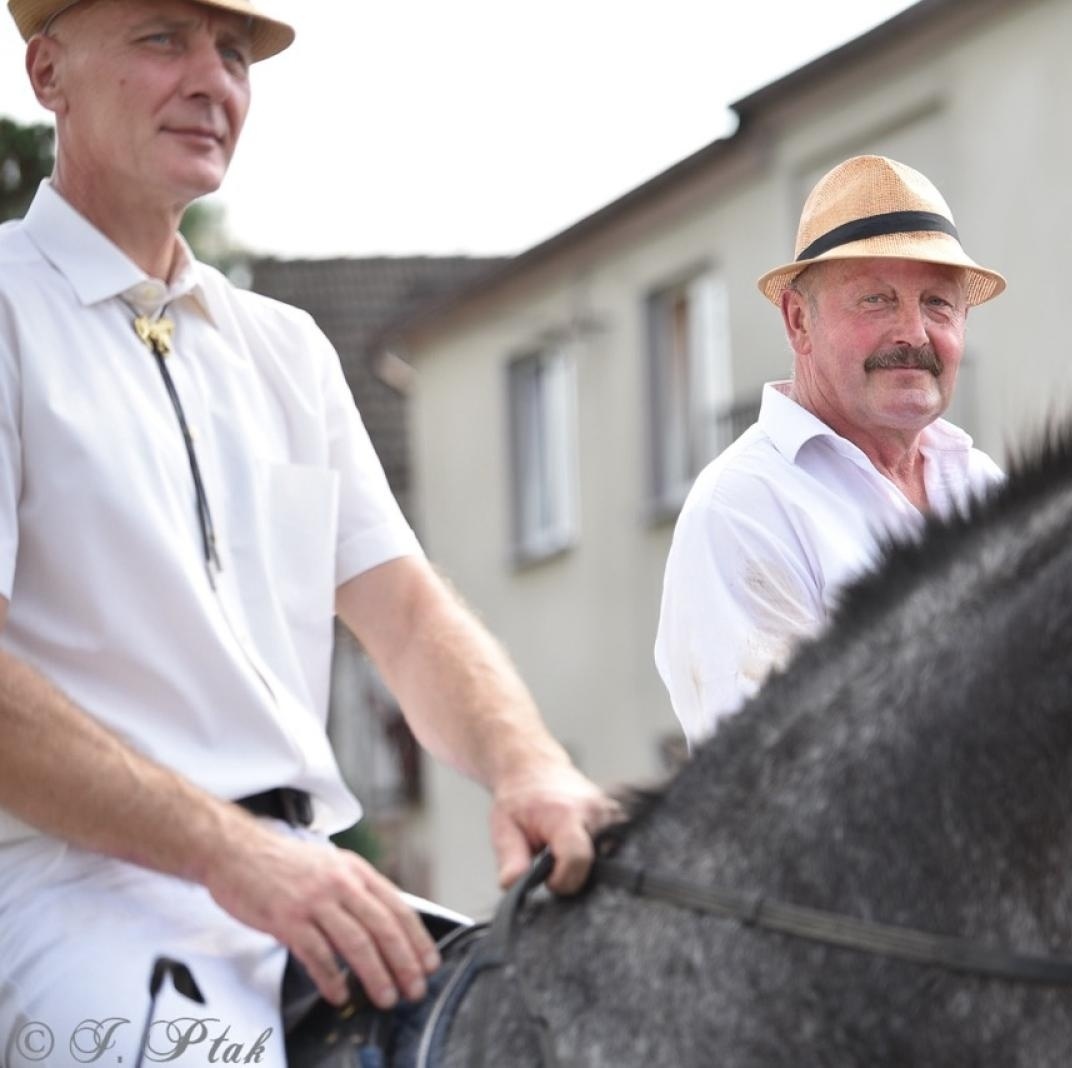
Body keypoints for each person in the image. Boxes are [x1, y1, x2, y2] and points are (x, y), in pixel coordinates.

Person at [0, 0, 618, 1059]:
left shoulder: (286, 349)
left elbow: (410, 617)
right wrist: (233, 854)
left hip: (315, 884)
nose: (213, 80)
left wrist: (530, 765)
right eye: (163, 38)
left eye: (234, 53)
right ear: (48, 72)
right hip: (75, 895)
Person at [655, 155, 1007, 745]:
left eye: (938, 304)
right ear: (798, 321)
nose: (914, 334)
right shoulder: (744, 506)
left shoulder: (981, 484)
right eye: (876, 299)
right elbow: (782, 774)